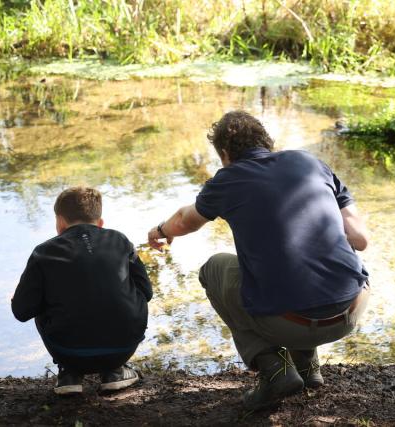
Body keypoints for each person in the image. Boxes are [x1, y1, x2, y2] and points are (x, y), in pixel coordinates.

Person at [148, 111, 370, 411]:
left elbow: (186, 221)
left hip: (293, 324)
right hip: (352, 310)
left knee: (215, 269)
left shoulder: (227, 181)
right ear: (267, 141)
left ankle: (276, 372)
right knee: (303, 260)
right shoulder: (310, 163)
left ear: (225, 153)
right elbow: (360, 239)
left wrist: (160, 231)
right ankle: (307, 368)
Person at [12, 187, 153, 395]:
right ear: (101, 223)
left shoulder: (43, 252)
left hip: (67, 350)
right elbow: (146, 292)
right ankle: (114, 371)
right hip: (123, 347)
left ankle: (69, 373)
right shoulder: (121, 241)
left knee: (38, 301)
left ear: (60, 222)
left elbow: (22, 311)